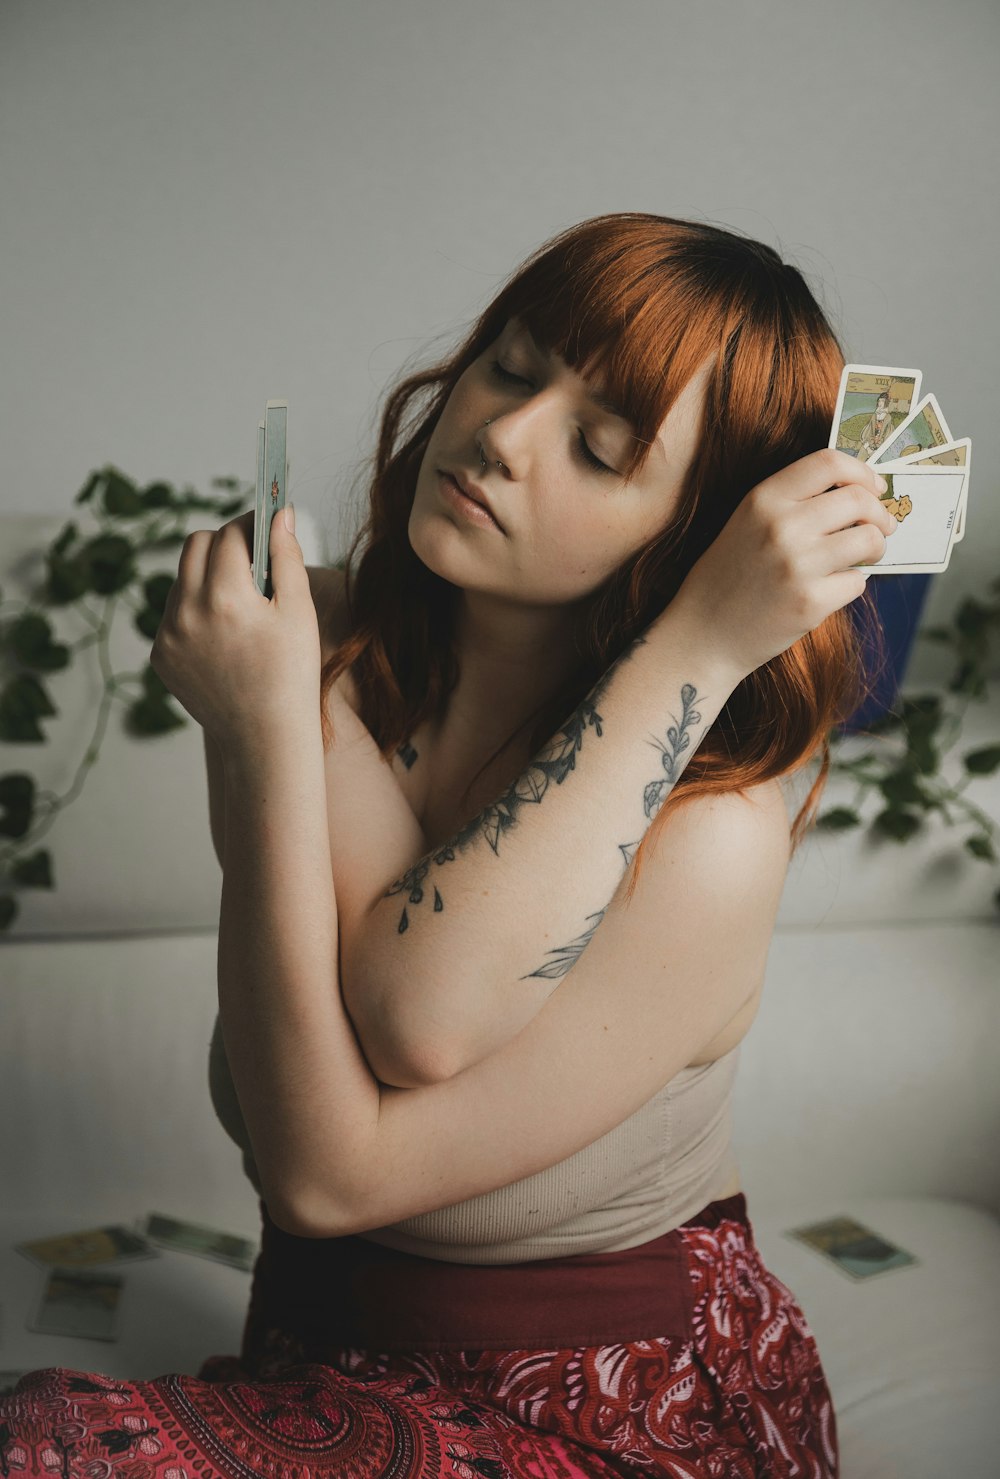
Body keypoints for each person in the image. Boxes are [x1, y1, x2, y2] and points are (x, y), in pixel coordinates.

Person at [1, 213, 896, 1478]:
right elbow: (385, 998)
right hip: (318, 1358)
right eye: (513, 367)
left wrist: (697, 646)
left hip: (611, 1415)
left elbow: (332, 1164)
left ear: (701, 542)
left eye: (598, 450)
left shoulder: (713, 834)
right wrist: (286, 698)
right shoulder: (329, 655)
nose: (501, 438)